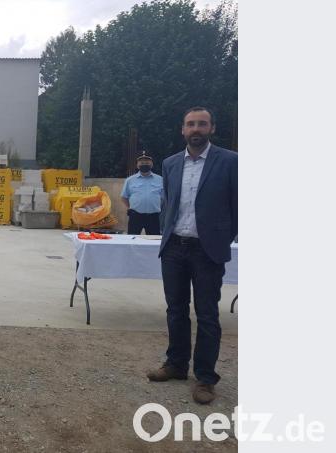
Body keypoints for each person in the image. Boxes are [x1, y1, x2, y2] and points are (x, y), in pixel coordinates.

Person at [147, 107, 238, 404]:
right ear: (182, 130)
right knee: (175, 310)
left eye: (202, 124)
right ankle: (176, 365)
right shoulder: (171, 163)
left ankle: (205, 378)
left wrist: (223, 237)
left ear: (212, 128)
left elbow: (238, 207)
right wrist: (166, 233)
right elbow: (167, 205)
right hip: (174, 247)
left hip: (207, 251)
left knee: (208, 315)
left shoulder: (230, 162)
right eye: (190, 124)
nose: (196, 128)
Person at [120, 152, 163, 235]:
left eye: (147, 163)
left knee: (153, 241)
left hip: (153, 216)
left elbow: (164, 197)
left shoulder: (160, 179)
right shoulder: (130, 180)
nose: (144, 164)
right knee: (132, 239)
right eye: (142, 163)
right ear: (137, 165)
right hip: (136, 216)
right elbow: (124, 197)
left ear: (152, 165)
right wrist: (131, 207)